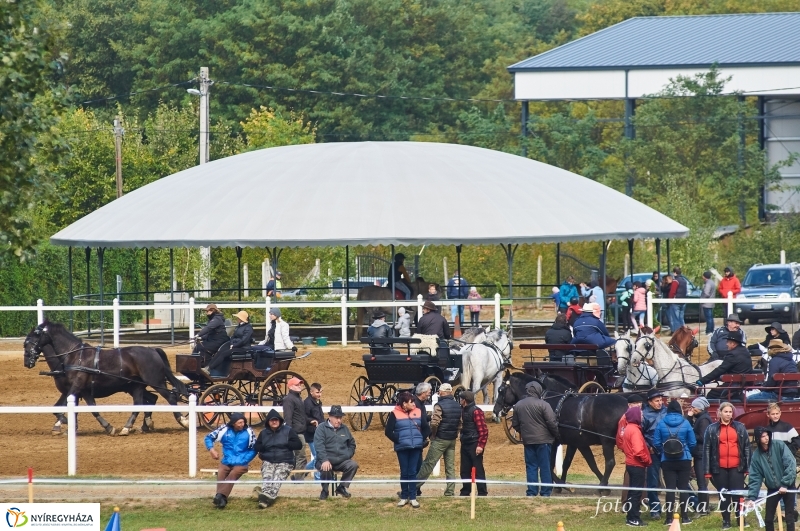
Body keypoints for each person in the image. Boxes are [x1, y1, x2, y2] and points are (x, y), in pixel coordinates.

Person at [703, 402, 750, 529]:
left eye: (730, 412)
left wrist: (747, 467)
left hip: (737, 467)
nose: (728, 414)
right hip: (719, 467)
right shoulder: (711, 429)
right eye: (726, 412)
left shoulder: (740, 427)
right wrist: (707, 470)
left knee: (738, 495)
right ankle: (726, 521)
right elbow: (706, 449)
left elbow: (746, 447)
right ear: (720, 412)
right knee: (724, 495)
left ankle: (741, 519)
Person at [512, 380, 559, 497]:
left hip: (528, 441)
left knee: (531, 467)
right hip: (544, 441)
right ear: (538, 391)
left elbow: (515, 424)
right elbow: (551, 422)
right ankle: (546, 492)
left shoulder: (518, 405)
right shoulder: (544, 405)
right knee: (545, 467)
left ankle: (532, 492)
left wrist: (524, 432)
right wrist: (556, 435)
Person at [653, 400, 696, 525]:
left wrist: (664, 451)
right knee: (683, 488)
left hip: (667, 460)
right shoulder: (686, 423)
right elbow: (692, 442)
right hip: (684, 459)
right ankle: (685, 517)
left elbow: (656, 443)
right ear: (679, 410)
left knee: (670, 490)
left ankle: (668, 518)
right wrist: (686, 450)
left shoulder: (661, 423)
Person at [746, 427, 797, 531]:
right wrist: (752, 497)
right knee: (768, 519)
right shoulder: (756, 456)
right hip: (773, 489)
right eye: (763, 436)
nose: (766, 438)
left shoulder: (779, 445)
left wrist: (785, 484)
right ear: (758, 439)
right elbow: (755, 477)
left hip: (788, 486)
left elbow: (791, 464)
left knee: (789, 517)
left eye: (767, 435)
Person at [385, 391, 430, 508]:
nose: (414, 404)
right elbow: (388, 431)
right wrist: (398, 439)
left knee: (412, 472)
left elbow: (426, 428)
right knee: (404, 472)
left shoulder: (418, 412)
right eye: (411, 402)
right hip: (402, 448)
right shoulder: (394, 414)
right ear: (404, 404)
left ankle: (413, 497)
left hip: (416, 447)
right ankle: (404, 496)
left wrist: (420, 439)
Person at [204, 412, 257, 509]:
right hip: (227, 460)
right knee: (221, 474)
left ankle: (219, 496)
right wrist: (211, 449)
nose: (242, 424)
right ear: (233, 423)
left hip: (241, 462)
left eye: (243, 422)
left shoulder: (249, 432)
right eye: (239, 423)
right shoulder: (224, 430)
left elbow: (254, 448)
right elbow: (209, 437)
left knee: (233, 474)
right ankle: (221, 499)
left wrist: (245, 459)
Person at [416, 383, 460, 497]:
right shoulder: (457, 405)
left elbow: (435, 423)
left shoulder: (439, 405)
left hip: (440, 438)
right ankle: (450, 491)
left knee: (428, 464)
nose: (438, 393)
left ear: (442, 392)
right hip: (452, 439)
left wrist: (433, 434)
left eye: (439, 391)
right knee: (450, 467)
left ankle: (412, 488)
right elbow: (460, 423)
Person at [254, 409, 303, 508]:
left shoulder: (288, 430)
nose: (274, 422)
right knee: (268, 478)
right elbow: (257, 446)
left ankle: (263, 497)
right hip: (268, 460)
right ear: (268, 422)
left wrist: (288, 444)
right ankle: (266, 498)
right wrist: (263, 448)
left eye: (276, 420)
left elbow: (298, 445)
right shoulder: (263, 433)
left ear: (280, 420)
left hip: (285, 460)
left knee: (277, 478)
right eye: (272, 420)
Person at [314, 405, 358, 500]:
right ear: (330, 417)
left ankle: (342, 487)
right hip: (325, 460)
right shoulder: (321, 429)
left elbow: (352, 444)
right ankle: (325, 490)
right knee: (325, 467)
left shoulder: (345, 429)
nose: (339, 420)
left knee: (353, 465)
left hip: (342, 461)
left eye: (340, 418)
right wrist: (325, 460)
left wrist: (347, 455)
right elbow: (319, 446)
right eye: (336, 418)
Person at [697, 330, 754, 400]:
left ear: (733, 343)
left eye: (728, 342)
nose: (726, 344)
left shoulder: (732, 354)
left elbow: (720, 370)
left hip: (734, 386)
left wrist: (702, 381)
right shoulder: (745, 351)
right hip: (745, 384)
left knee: (711, 394)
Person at [621, 406, 652, 527]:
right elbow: (638, 450)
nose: (643, 416)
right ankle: (634, 518)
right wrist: (646, 460)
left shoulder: (628, 428)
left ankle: (630, 517)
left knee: (632, 492)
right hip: (637, 464)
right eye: (641, 414)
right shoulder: (635, 430)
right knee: (636, 493)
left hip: (630, 463)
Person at [641, 389, 667, 519]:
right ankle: (655, 509)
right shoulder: (644, 415)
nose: (660, 403)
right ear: (649, 402)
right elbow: (640, 435)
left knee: (677, 479)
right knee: (652, 481)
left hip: (668, 452)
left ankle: (696, 504)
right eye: (657, 401)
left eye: (661, 400)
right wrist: (647, 447)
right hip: (653, 452)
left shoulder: (666, 411)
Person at [685, 396, 712, 516]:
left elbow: (703, 437)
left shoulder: (704, 420)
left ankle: (703, 509)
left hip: (701, 455)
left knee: (701, 483)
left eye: (694, 407)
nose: (692, 408)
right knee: (701, 483)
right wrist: (690, 418)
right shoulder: (701, 418)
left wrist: (690, 434)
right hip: (699, 454)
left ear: (700, 408)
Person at [459, 390, 488, 497]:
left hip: (474, 443)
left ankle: (482, 492)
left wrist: (480, 445)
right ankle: (466, 491)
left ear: (464, 400)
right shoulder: (463, 410)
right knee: (464, 469)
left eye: (461, 399)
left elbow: (483, 431)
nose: (460, 401)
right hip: (466, 442)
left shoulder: (476, 411)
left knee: (478, 469)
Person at [205, 310, 253, 376]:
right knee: (220, 352)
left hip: (243, 348)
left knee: (224, 354)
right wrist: (231, 343)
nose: (237, 319)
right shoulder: (238, 326)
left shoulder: (248, 328)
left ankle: (210, 368)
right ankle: (208, 367)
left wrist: (234, 345)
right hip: (235, 345)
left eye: (238, 318)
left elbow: (244, 340)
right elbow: (233, 336)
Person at [281, 377, 309, 480]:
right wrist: (291, 434)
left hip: (299, 432)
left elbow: (300, 415)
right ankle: (298, 480)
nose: (300, 386)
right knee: (301, 458)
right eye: (297, 385)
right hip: (296, 433)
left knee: (300, 458)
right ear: (291, 386)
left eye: (300, 384)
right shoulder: (289, 399)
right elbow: (288, 417)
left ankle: (297, 478)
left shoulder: (297, 398)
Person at [304, 383, 324, 480]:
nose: (319, 394)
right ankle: (318, 479)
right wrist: (310, 421)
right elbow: (303, 417)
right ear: (311, 392)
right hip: (311, 434)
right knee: (318, 457)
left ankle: (303, 472)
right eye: (317, 392)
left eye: (320, 392)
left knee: (318, 456)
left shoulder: (317, 402)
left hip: (318, 433)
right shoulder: (307, 403)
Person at [669, 266, 688, 331]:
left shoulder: (675, 281)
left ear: (675, 273)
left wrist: (670, 299)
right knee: (681, 318)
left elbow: (672, 292)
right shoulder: (684, 280)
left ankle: (677, 333)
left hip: (676, 302)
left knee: (676, 319)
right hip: (683, 301)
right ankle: (684, 332)